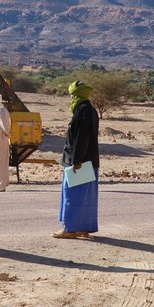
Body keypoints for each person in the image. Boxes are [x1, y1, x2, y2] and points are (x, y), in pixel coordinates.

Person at [53, 80, 99, 239]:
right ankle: (82, 228)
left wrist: (76, 160)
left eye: (72, 94)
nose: (71, 97)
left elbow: (82, 138)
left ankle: (70, 229)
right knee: (85, 197)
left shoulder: (83, 111)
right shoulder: (90, 109)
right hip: (89, 161)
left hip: (80, 162)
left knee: (72, 195)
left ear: (77, 95)